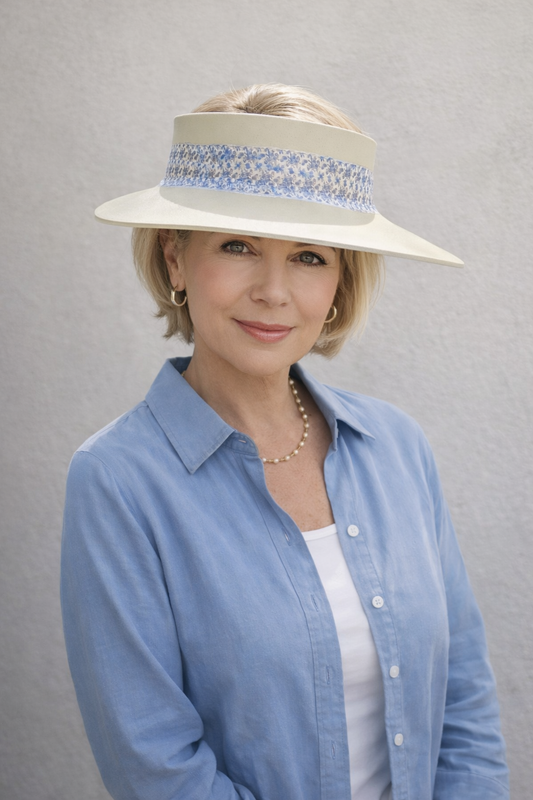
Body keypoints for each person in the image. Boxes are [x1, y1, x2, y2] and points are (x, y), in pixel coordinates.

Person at [60, 84, 509, 800]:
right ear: (175, 260)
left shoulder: (396, 446)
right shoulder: (117, 481)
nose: (274, 290)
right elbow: (155, 765)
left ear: (338, 281)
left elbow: (463, 703)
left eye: (308, 256)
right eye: (238, 246)